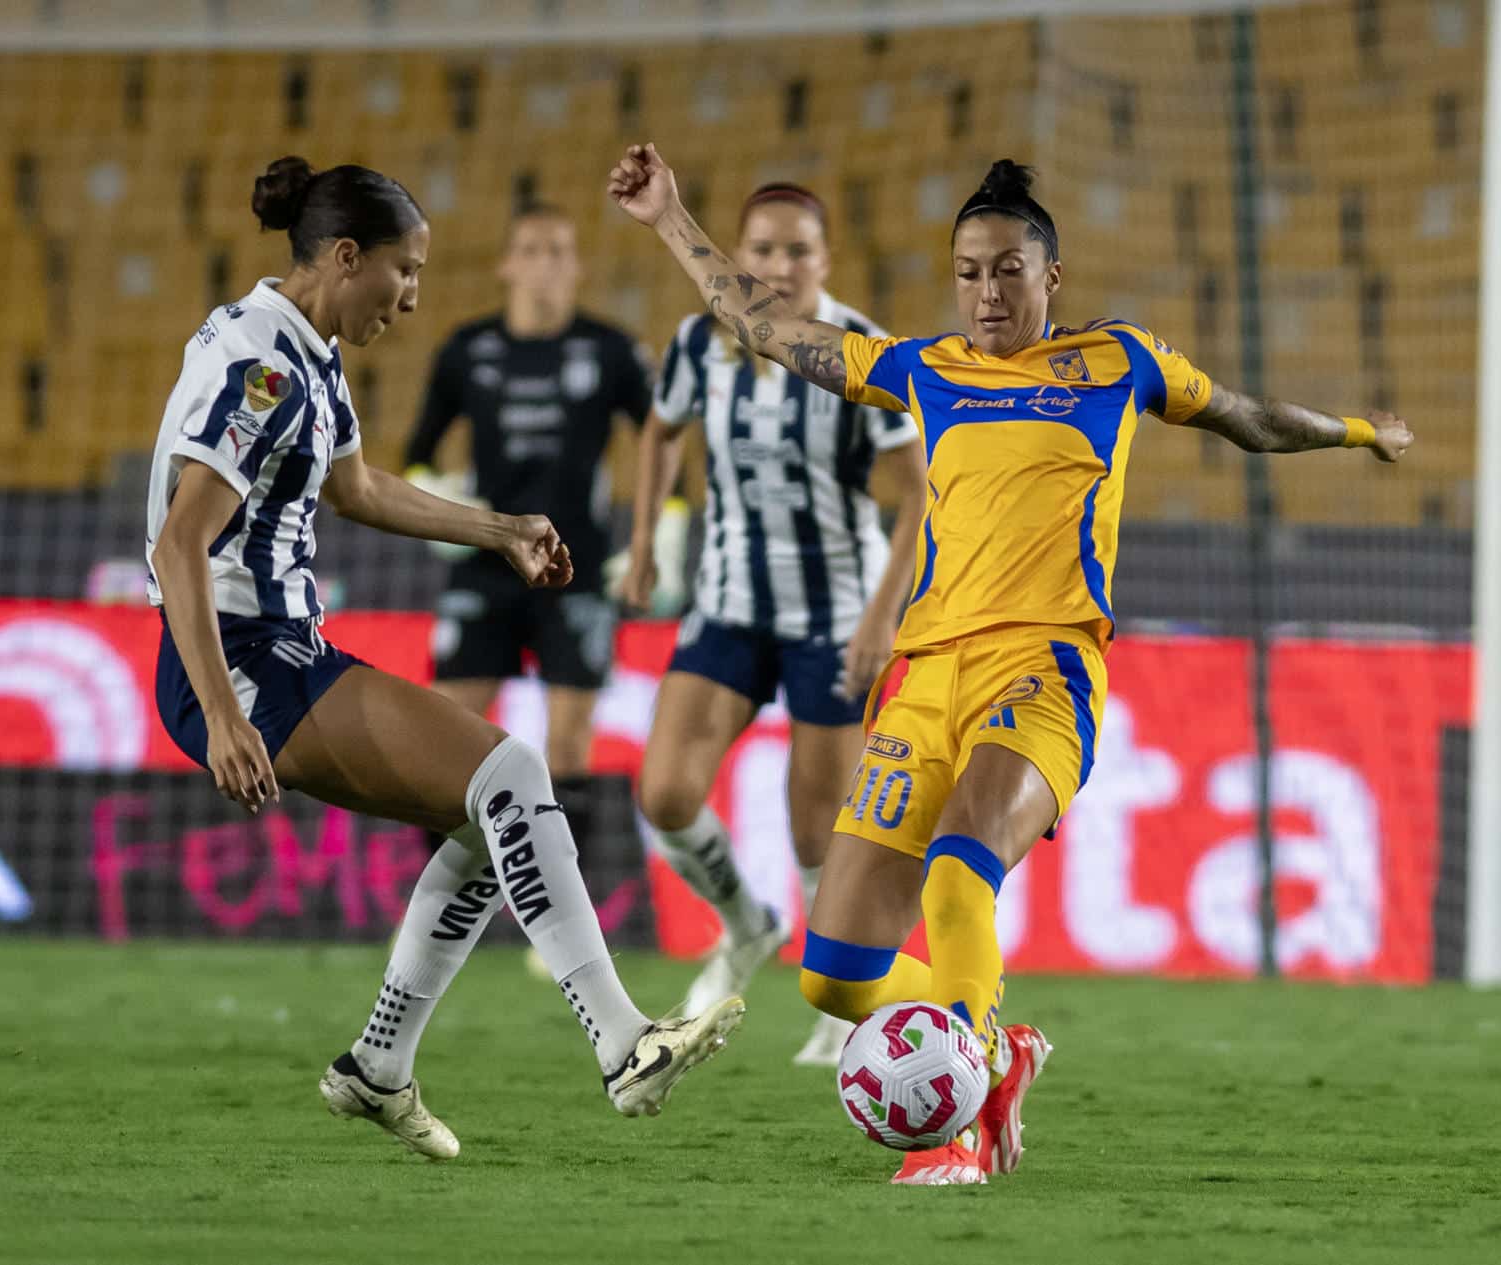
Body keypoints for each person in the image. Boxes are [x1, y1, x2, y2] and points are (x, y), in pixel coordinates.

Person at [608, 145, 1413, 1185]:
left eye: (1007, 270)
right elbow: (767, 326)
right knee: (836, 977)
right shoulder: (922, 369)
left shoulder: (1118, 360)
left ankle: (966, 1126)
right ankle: (1001, 1039)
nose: (987, 291)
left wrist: (1359, 431)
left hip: (1044, 670)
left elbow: (1248, 419)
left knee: (957, 874)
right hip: (925, 677)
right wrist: (672, 216)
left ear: (1051, 278)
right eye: (969, 272)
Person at [146, 156, 742, 1162]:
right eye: (404, 271)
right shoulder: (265, 367)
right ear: (344, 257)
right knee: (510, 773)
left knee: (486, 811)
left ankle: (379, 1068)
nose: (414, 296)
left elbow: (359, 488)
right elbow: (177, 543)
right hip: (241, 657)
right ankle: (625, 1042)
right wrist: (224, 711)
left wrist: (500, 527)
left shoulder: (306, 350)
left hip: (282, 648)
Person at [616, 183, 927, 1068]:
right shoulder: (695, 341)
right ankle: (747, 921)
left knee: (815, 828)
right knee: (665, 792)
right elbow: (659, 432)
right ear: (737, 255)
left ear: (825, 262)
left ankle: (842, 997)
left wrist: (881, 614)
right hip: (728, 603)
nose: (777, 266)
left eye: (797, 250)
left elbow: (920, 494)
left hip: (832, 613)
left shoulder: (861, 349)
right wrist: (645, 542)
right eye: (761, 248)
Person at [403, 203, 651, 783]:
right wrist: (437, 502)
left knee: (567, 750)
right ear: (506, 266)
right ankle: (464, 876)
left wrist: (658, 529)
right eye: (532, 250)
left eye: (559, 251)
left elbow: (663, 440)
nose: (545, 264)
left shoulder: (613, 351)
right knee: (448, 738)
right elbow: (417, 451)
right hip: (487, 565)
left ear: (577, 267)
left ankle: (563, 875)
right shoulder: (466, 349)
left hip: (575, 568)